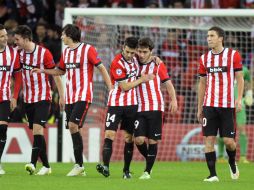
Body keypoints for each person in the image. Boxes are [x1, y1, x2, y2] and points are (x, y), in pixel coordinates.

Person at [31, 24, 112, 176]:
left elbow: (101, 68)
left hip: (83, 95)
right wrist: (43, 70)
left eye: (63, 34)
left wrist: (110, 87)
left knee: (73, 125)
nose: (61, 37)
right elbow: (60, 71)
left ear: (69, 35)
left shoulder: (88, 49)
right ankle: (81, 168)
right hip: (71, 96)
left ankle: (79, 165)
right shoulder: (66, 52)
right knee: (74, 128)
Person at [96, 37, 154, 179]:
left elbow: (146, 57)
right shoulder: (117, 62)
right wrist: (142, 79)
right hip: (115, 104)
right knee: (109, 134)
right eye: (127, 52)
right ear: (123, 47)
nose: (129, 55)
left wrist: (156, 59)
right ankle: (106, 167)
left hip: (132, 105)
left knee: (129, 138)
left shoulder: (135, 59)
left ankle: (126, 171)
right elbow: (124, 87)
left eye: (132, 53)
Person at [14, 25, 64, 175]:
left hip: (43, 97)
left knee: (37, 129)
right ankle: (47, 166)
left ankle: (32, 163)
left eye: (17, 39)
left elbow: (56, 74)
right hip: (28, 98)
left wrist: (62, 95)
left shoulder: (44, 53)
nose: (15, 41)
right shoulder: (18, 53)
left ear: (26, 38)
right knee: (37, 133)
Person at [197, 26, 244, 182]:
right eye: (207, 36)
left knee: (228, 141)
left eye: (212, 35)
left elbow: (240, 78)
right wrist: (199, 108)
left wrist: (239, 99)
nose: (208, 38)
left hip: (227, 105)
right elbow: (202, 83)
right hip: (209, 105)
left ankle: (232, 161)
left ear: (220, 38)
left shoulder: (233, 55)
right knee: (208, 140)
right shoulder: (204, 58)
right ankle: (213, 175)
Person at [134, 37, 178, 180]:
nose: (141, 54)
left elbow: (168, 83)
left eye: (145, 52)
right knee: (139, 140)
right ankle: (150, 159)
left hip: (155, 107)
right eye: (139, 51)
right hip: (139, 107)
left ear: (150, 51)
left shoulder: (158, 65)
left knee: (153, 140)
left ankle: (147, 171)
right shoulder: (134, 62)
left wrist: (174, 99)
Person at [217, 65, 253, 163]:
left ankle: (243, 156)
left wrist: (249, 94)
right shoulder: (221, 67)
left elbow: (249, 82)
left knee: (242, 129)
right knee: (222, 130)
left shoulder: (244, 69)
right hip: (224, 104)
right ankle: (220, 157)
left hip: (239, 105)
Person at [0, 24, 22, 175]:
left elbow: (18, 76)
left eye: (6, 35)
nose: (5, 38)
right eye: (2, 36)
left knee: (2, 129)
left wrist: (14, 96)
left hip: (4, 97)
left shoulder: (13, 53)